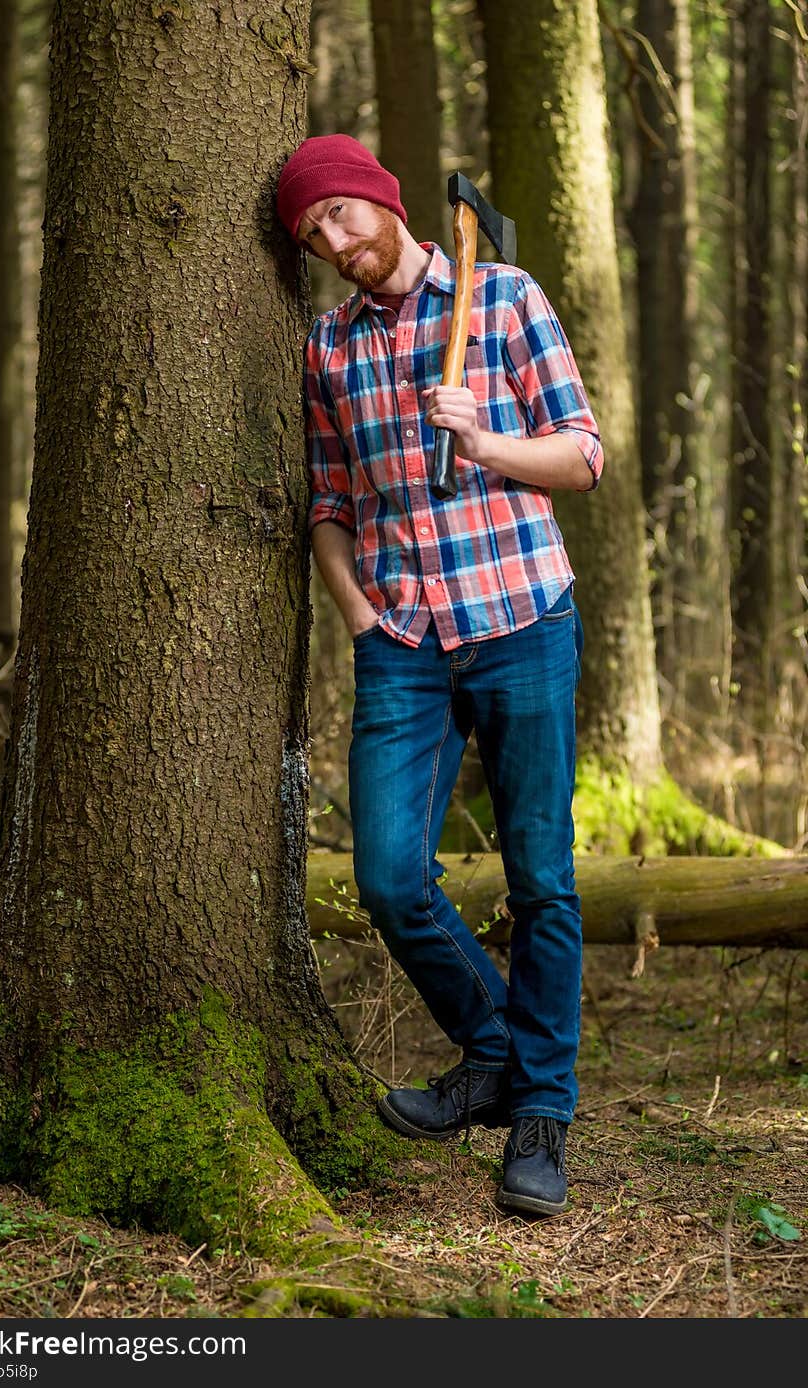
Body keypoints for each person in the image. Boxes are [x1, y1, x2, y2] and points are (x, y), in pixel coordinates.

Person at [276, 135, 603, 1218]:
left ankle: (540, 1117)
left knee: (541, 879)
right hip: (404, 641)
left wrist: (491, 441)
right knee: (387, 877)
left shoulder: (502, 298)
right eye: (312, 235)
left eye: (341, 217)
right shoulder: (328, 345)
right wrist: (359, 612)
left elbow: (583, 455)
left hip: (520, 617)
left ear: (382, 199)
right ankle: (501, 1051)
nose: (334, 243)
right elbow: (328, 498)